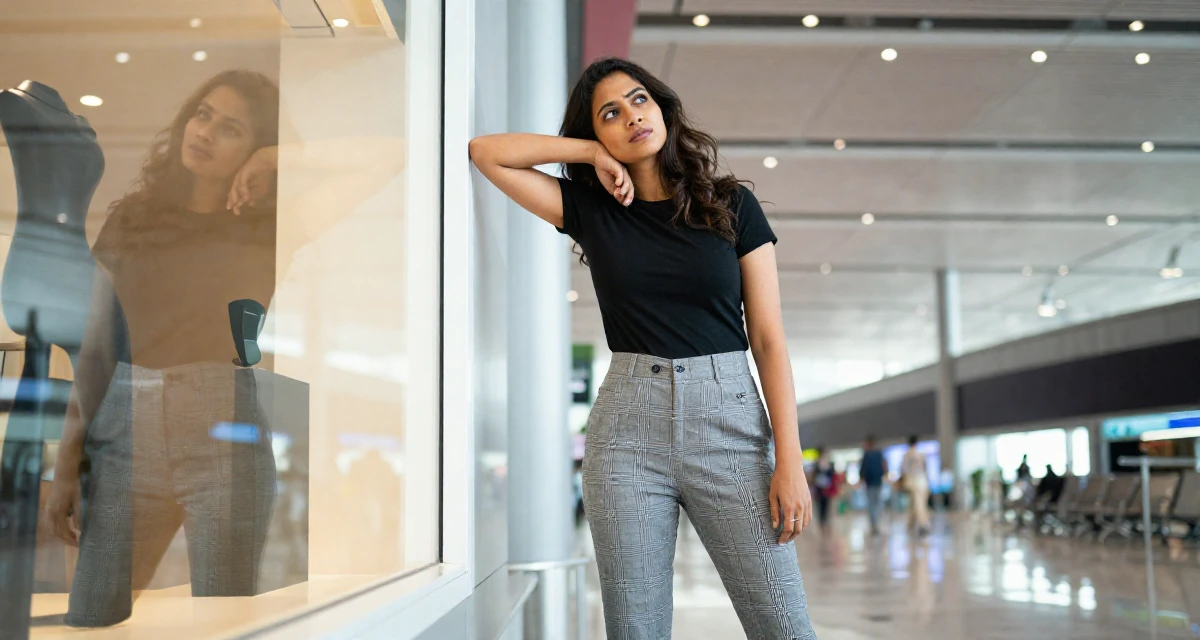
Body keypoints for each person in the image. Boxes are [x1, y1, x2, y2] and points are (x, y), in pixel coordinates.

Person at [469, 58, 816, 640]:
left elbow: (768, 339)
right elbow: (486, 151)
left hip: (730, 424)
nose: (631, 117)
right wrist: (585, 155)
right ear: (596, 133)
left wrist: (790, 459)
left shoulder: (732, 206)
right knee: (635, 630)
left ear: (661, 108)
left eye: (638, 101)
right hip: (626, 437)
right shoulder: (593, 212)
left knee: (784, 625)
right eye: (610, 114)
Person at [901, 435, 930, 537]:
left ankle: (921, 524)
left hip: (913, 482)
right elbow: (925, 468)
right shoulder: (921, 454)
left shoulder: (907, 455)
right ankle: (913, 524)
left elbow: (904, 470)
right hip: (922, 481)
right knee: (917, 504)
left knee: (917, 504)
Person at [859, 435, 888, 535]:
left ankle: (874, 524)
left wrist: (861, 479)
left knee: (871, 503)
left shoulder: (866, 454)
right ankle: (876, 524)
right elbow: (884, 467)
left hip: (870, 483)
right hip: (878, 482)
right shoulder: (879, 454)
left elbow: (862, 469)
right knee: (877, 503)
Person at [812, 447, 838, 532]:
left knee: (826, 506)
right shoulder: (816, 464)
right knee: (820, 507)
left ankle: (826, 522)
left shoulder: (829, 464)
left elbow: (833, 474)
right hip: (819, 489)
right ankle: (821, 522)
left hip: (827, 489)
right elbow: (814, 476)